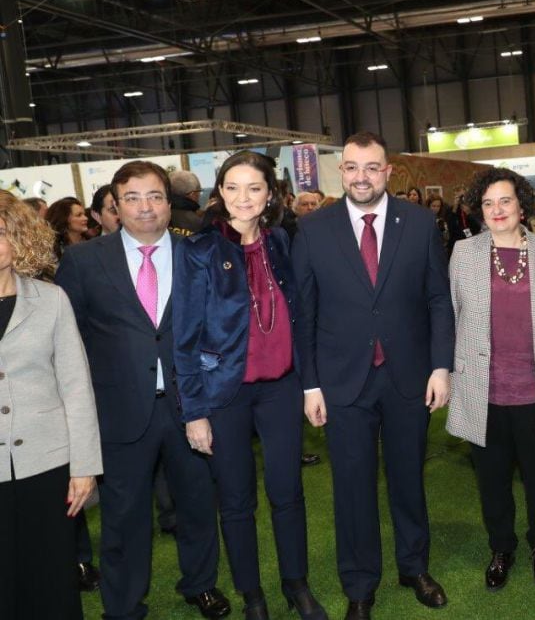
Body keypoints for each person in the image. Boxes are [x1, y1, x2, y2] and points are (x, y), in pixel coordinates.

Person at [56, 161, 230, 620]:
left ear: (168, 201)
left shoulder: (196, 252)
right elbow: (67, 340)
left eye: (153, 195)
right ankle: (124, 604)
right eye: (130, 198)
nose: (144, 206)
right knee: (123, 516)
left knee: (196, 503)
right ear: (113, 206)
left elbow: (217, 327)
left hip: (187, 405)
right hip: (118, 411)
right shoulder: (83, 261)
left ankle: (201, 583)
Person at [293, 131, 454, 620]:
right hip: (343, 382)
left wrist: (441, 366)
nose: (361, 176)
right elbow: (304, 311)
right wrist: (310, 384)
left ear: (388, 171)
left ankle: (413, 565)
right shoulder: (314, 229)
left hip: (408, 377)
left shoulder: (421, 223)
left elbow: (437, 299)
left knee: (408, 478)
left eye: (372, 167)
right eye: (352, 167)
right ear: (340, 172)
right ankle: (360, 586)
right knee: (352, 487)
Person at [174, 152, 326, 620]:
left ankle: (295, 583)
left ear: (269, 195)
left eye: (254, 188)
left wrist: (310, 385)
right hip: (226, 394)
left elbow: (301, 319)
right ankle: (252, 596)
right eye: (233, 187)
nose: (243, 198)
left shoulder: (281, 239)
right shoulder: (199, 249)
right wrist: (193, 411)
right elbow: (184, 336)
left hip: (281, 387)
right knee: (237, 501)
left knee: (288, 492)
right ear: (219, 193)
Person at [445, 168, 535, 592]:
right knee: (492, 481)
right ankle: (502, 548)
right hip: (483, 390)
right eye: (488, 203)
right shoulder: (464, 253)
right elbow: (452, 315)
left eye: (505, 201)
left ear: (522, 205)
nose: (497, 210)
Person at [0, 190, 102, 620]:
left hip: (47, 462)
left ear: (18, 238)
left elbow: (76, 386)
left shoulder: (51, 299)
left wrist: (83, 467)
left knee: (51, 577)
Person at [169, 170, 204, 235]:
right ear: (192, 194)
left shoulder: (163, 215)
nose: (199, 195)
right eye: (199, 191)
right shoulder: (195, 222)